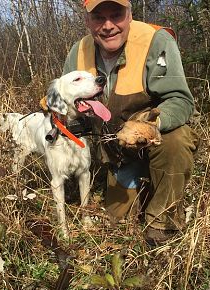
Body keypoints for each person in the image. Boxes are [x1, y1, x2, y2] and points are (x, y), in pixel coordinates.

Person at [62, 0, 199, 246]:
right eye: (98, 18)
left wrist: (150, 125)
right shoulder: (78, 52)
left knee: (176, 140)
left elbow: (180, 100)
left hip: (153, 141)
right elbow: (67, 103)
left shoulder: (156, 41)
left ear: (130, 14)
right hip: (115, 154)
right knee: (116, 223)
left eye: (116, 15)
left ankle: (162, 225)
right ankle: (139, 186)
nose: (108, 26)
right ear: (87, 21)